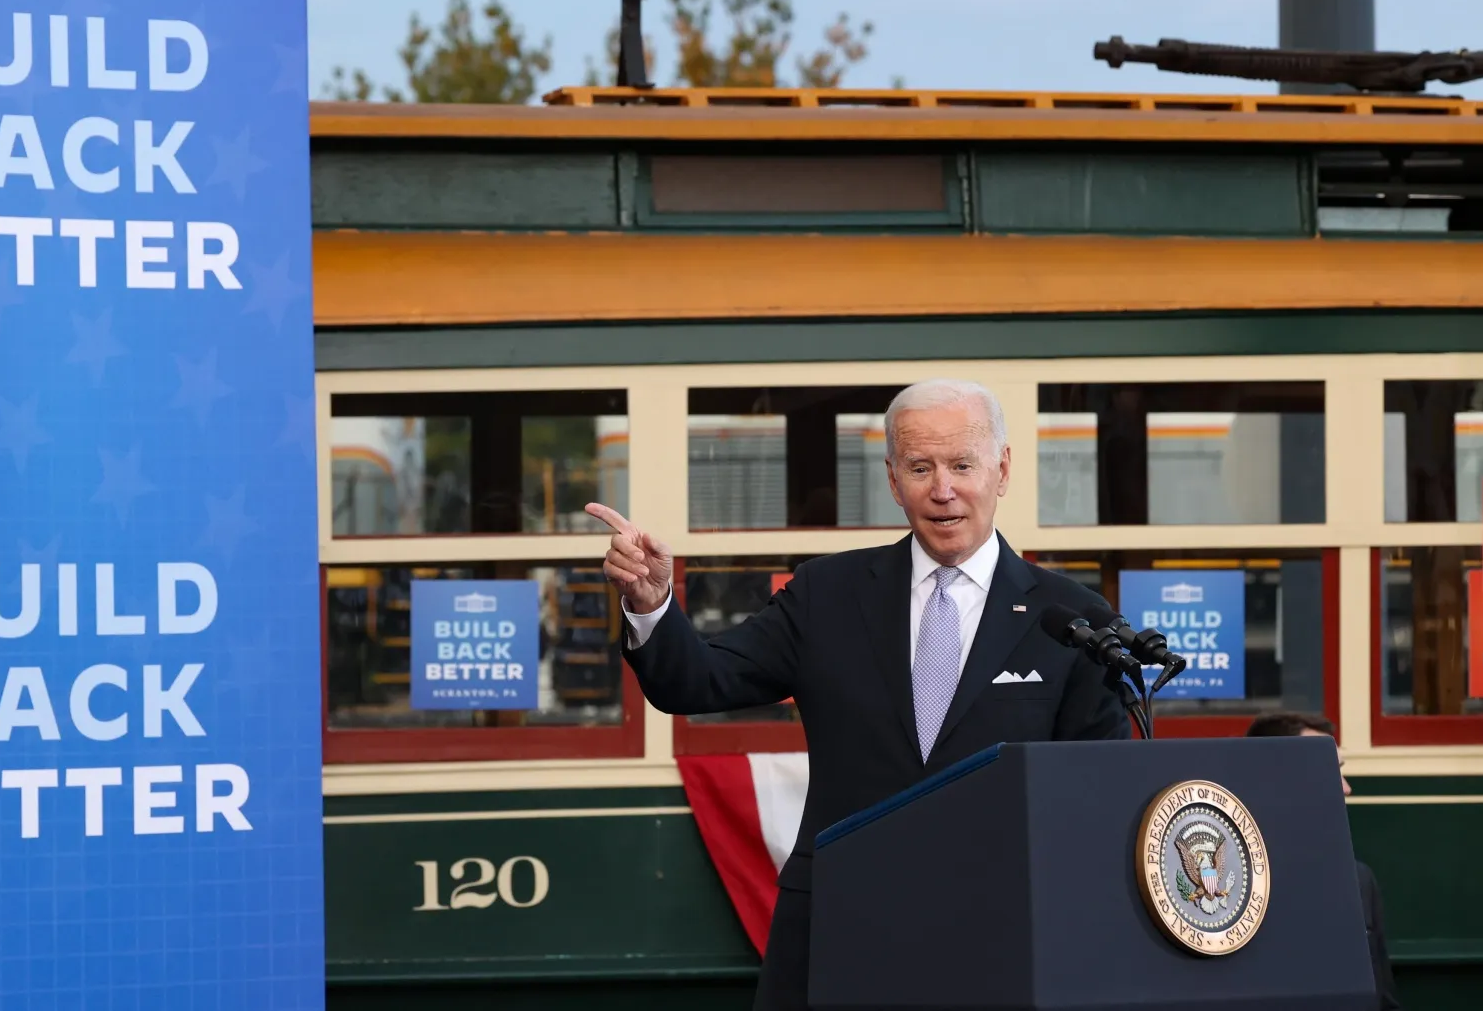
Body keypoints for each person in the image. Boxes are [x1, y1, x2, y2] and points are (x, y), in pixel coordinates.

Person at [589, 379, 1128, 1011]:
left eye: (962, 465)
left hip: (1001, 933)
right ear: (894, 480)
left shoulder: (1073, 618)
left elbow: (1097, 792)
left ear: (1002, 469)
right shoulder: (828, 593)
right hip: (841, 926)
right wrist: (653, 605)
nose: (943, 489)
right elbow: (700, 680)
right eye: (920, 467)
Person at [1246, 711, 1400, 1010]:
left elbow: (1384, 999)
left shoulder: (1359, 880)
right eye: (1330, 770)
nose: (1346, 788)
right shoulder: (1232, 890)